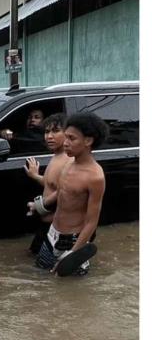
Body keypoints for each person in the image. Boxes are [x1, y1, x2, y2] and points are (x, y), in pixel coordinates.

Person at [32, 112, 107, 275]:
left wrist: (74, 252)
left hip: (72, 241)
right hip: (52, 234)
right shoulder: (68, 164)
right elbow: (60, 192)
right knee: (41, 278)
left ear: (88, 141)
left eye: (71, 139)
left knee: (73, 290)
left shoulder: (95, 176)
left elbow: (91, 222)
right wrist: (39, 206)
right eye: (65, 137)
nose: (65, 143)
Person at [23, 113, 72, 255]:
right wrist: (35, 176)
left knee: (43, 268)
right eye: (46, 131)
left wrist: (39, 206)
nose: (49, 136)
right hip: (46, 225)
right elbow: (51, 184)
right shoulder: (56, 156)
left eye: (55, 131)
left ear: (68, 134)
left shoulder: (68, 161)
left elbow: (63, 192)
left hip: (57, 229)